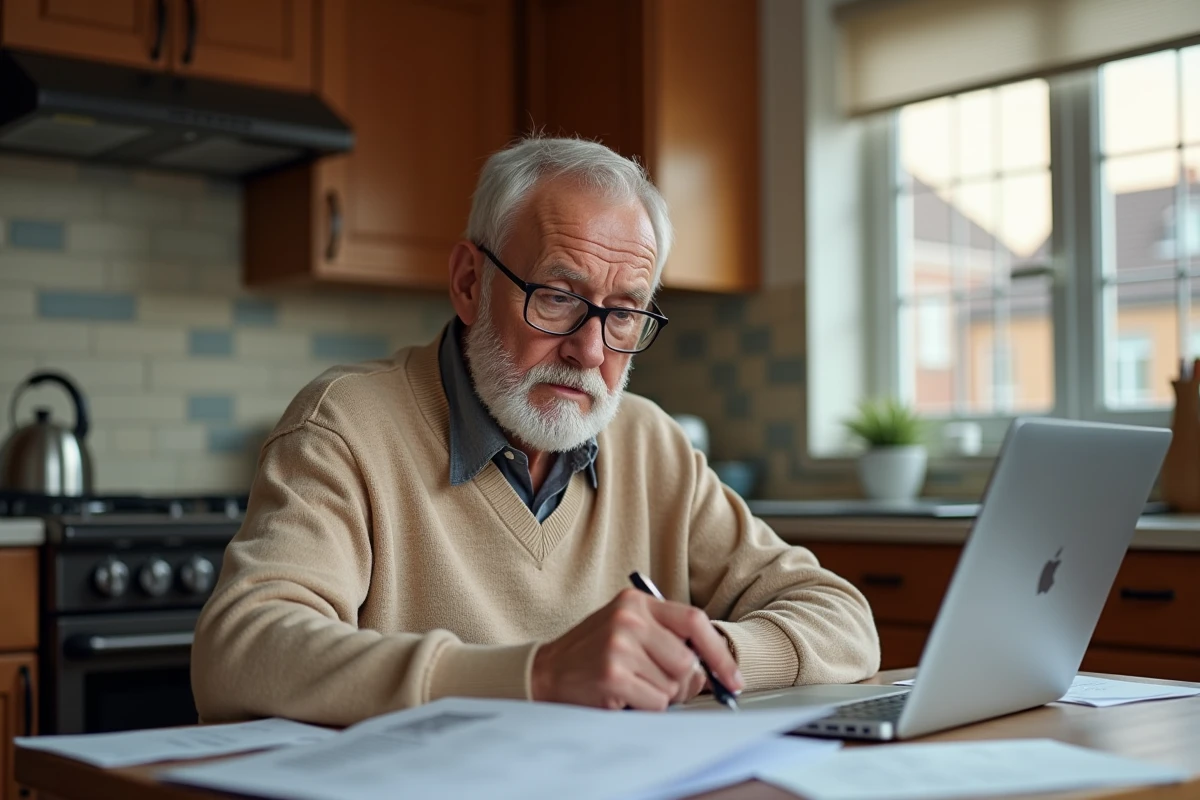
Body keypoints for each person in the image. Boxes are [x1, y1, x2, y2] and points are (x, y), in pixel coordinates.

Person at [192, 137, 880, 726]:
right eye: (557, 296)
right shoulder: (346, 424)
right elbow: (241, 654)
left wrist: (707, 658)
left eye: (624, 314)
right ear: (469, 282)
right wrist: (538, 676)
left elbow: (842, 619)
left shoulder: (651, 443)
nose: (590, 350)